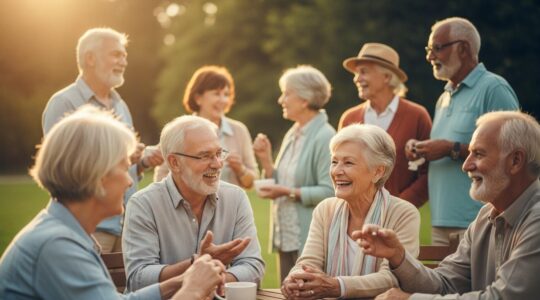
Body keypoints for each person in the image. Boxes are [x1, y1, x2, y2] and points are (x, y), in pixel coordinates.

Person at [0, 107, 225, 300]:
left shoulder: (65, 234)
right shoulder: (57, 246)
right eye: (122, 167)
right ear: (96, 175)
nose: (129, 181)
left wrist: (181, 281)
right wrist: (193, 290)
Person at [356, 111, 540, 299]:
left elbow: (503, 297)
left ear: (516, 161)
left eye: (478, 154)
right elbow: (444, 284)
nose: (466, 165)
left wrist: (409, 299)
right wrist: (398, 256)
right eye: (469, 154)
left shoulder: (536, 220)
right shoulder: (485, 217)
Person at [41, 27, 163, 253]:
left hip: (128, 227)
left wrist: (142, 161)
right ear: (90, 58)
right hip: (89, 227)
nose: (124, 61)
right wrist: (121, 155)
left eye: (124, 55)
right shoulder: (64, 103)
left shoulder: (120, 105)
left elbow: (125, 170)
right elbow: (62, 169)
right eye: (116, 54)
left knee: (125, 288)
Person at [406, 17, 519, 245]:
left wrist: (451, 149)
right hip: (440, 221)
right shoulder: (443, 97)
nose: (430, 57)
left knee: (483, 282)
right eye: (429, 49)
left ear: (464, 48)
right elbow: (443, 149)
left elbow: (513, 152)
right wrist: (421, 150)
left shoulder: (493, 88)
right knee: (445, 282)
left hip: (480, 219)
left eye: (437, 48)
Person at [122, 115, 265, 292]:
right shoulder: (143, 204)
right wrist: (197, 264)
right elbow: (139, 278)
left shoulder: (236, 198)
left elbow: (253, 266)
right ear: (174, 163)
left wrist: (212, 282)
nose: (218, 164)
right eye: (205, 156)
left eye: (219, 154)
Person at [281, 124, 420, 299]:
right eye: (334, 162)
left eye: (348, 163)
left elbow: (392, 278)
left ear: (378, 172)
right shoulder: (325, 209)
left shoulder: (403, 213)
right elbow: (309, 262)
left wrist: (337, 286)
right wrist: (297, 278)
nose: (337, 171)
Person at [253, 65, 335, 281]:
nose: (281, 100)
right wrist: (266, 161)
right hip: (286, 236)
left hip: (309, 240)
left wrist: (287, 191)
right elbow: (282, 182)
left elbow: (330, 192)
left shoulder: (325, 137)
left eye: (287, 93)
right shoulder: (293, 132)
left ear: (305, 99)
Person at [340, 43, 432, 207]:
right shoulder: (349, 118)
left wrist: (398, 206)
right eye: (356, 73)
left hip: (399, 219)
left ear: (387, 77)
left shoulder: (417, 115)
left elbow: (429, 173)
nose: (356, 78)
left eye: (363, 72)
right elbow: (339, 168)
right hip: (355, 216)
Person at [153, 66, 258, 189]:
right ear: (198, 98)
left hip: (227, 207)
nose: (223, 100)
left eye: (226, 94)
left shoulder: (239, 131)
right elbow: (162, 175)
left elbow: (251, 182)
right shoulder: (178, 130)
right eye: (216, 94)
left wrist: (241, 169)